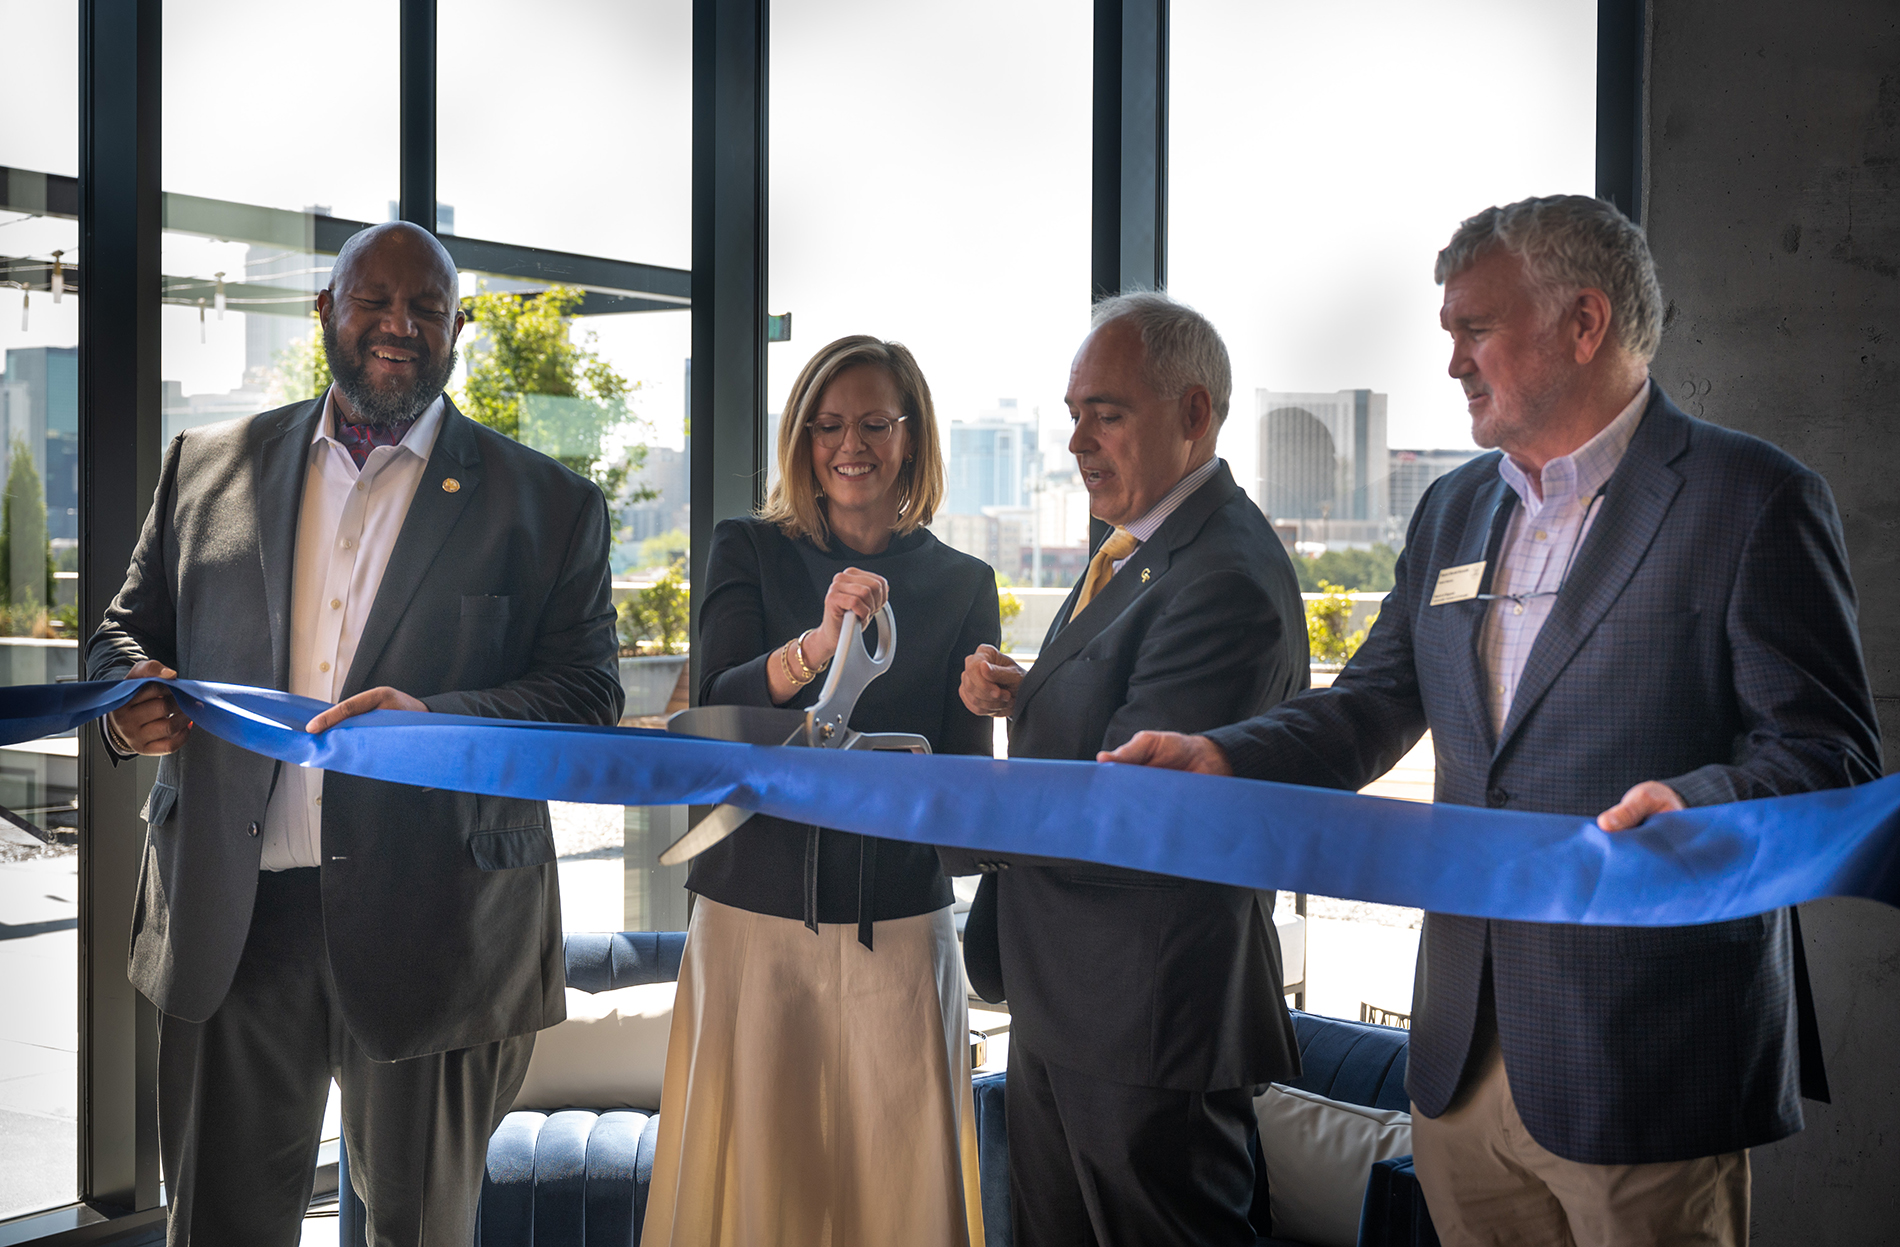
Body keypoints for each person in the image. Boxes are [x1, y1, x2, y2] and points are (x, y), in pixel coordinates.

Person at [1103, 196, 1882, 1247]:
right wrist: (1220, 753)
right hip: (1462, 1055)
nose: (1453, 362)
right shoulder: (1452, 508)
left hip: (1646, 1051)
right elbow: (1372, 701)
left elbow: (1825, 753)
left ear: (1583, 322)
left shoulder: (1751, 499)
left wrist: (1693, 804)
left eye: (1475, 328)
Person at [86, 222, 622, 1247]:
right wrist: (126, 695)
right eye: (373, 300)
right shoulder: (207, 467)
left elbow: (586, 693)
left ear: (458, 327)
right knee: (219, 1229)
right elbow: (121, 632)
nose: (398, 325)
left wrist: (438, 722)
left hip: (444, 931)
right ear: (323, 312)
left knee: (420, 1230)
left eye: (427, 308)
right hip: (233, 927)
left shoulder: (547, 504)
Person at [952, 293, 1306, 1247]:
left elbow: (1131, 805)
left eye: (1104, 412)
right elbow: (1113, 717)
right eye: (1073, 415)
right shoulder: (1141, 544)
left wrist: (938, 808)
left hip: (1149, 1014)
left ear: (1194, 413)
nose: (1077, 441)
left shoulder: (1222, 576)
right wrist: (1030, 694)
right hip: (1075, 1000)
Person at [641, 335, 999, 1247]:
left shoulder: (965, 585)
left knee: (900, 1193)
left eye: (875, 423)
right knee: (753, 1196)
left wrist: (962, 762)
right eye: (828, 425)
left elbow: (962, 801)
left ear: (910, 437)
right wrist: (816, 644)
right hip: (751, 922)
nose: (851, 445)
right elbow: (713, 708)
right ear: (802, 442)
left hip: (900, 927)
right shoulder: (747, 549)